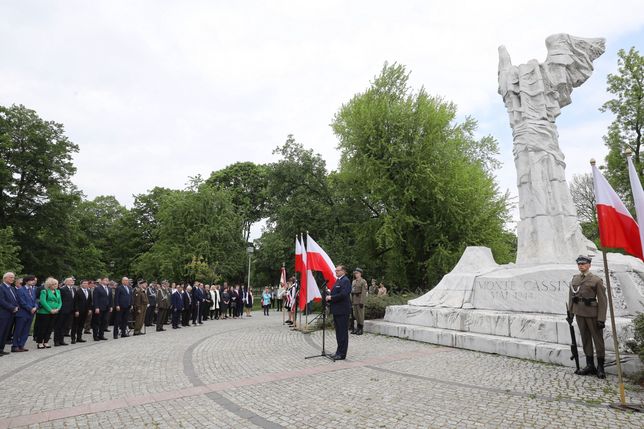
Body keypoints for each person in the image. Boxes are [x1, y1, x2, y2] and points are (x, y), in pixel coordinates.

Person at [568, 255, 608, 378]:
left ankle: (600, 367)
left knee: (598, 340)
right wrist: (571, 313)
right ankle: (590, 365)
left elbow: (602, 301)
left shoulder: (596, 280)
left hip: (593, 314)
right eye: (579, 264)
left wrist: (601, 319)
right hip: (580, 313)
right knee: (585, 339)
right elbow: (571, 298)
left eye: (584, 264)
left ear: (589, 265)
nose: (581, 266)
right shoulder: (574, 279)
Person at [326, 265, 352, 360]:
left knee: (342, 333)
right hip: (337, 310)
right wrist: (329, 295)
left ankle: (342, 354)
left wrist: (332, 298)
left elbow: (344, 294)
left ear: (343, 271)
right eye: (335, 270)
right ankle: (338, 351)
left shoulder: (346, 281)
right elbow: (336, 292)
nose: (336, 272)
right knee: (338, 333)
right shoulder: (339, 280)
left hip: (343, 311)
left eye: (338, 270)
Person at [35, 277, 61, 349]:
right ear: (49, 284)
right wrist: (50, 310)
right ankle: (40, 342)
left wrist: (58, 308)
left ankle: (46, 341)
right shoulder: (44, 291)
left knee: (50, 328)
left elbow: (60, 302)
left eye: (56, 284)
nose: (56, 285)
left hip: (55, 312)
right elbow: (43, 302)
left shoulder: (58, 291)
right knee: (43, 328)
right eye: (54, 284)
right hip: (44, 312)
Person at [13, 275, 37, 352]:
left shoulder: (32, 290)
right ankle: (15, 346)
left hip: (31, 313)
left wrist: (35, 307)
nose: (33, 281)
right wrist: (30, 309)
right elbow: (21, 302)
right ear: (26, 281)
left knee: (26, 330)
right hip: (22, 313)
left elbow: (35, 301)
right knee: (18, 330)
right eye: (31, 280)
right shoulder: (20, 290)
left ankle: (21, 345)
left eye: (33, 280)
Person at [0, 272, 19, 355]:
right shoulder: (1, 287)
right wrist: (12, 308)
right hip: (4, 313)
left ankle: (1, 349)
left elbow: (15, 299)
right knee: (1, 331)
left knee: (6, 332)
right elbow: (1, 301)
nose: (13, 279)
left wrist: (17, 306)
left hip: (11, 313)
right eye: (11, 277)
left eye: (13, 277)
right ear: (5, 278)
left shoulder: (12, 288)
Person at [54, 277, 75, 346]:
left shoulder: (74, 289)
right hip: (62, 310)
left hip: (70, 311)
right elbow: (60, 300)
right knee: (58, 325)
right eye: (70, 280)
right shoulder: (62, 289)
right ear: (66, 282)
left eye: (72, 280)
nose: (72, 281)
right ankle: (56, 341)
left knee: (64, 326)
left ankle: (61, 340)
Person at [92, 277, 112, 341]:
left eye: (107, 280)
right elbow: (95, 299)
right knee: (97, 322)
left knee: (104, 321)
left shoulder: (109, 289)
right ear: (102, 281)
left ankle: (101, 335)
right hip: (99, 308)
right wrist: (96, 307)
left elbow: (110, 298)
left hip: (106, 307)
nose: (107, 281)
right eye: (105, 280)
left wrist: (111, 306)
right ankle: (95, 336)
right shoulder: (97, 288)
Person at [351, 268, 367, 335]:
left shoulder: (363, 281)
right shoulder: (354, 281)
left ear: (360, 273)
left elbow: (364, 292)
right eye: (355, 273)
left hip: (360, 299)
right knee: (356, 315)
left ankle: (361, 328)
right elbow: (352, 291)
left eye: (357, 273)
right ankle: (357, 327)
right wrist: (351, 300)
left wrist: (362, 302)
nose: (356, 274)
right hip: (354, 300)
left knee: (360, 315)